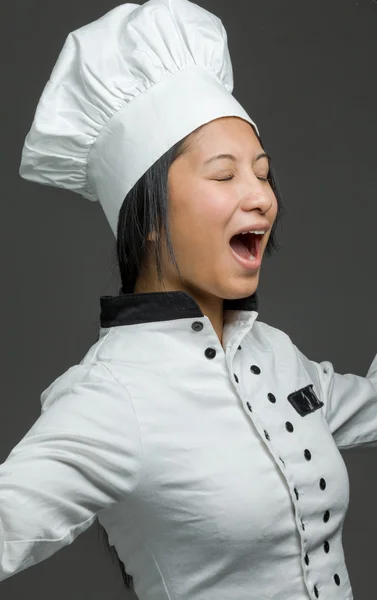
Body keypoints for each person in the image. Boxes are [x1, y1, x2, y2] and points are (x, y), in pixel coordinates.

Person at [2, 0, 376, 598]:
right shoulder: (111, 397)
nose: (262, 198)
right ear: (146, 216)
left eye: (263, 172)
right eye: (225, 176)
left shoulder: (276, 354)